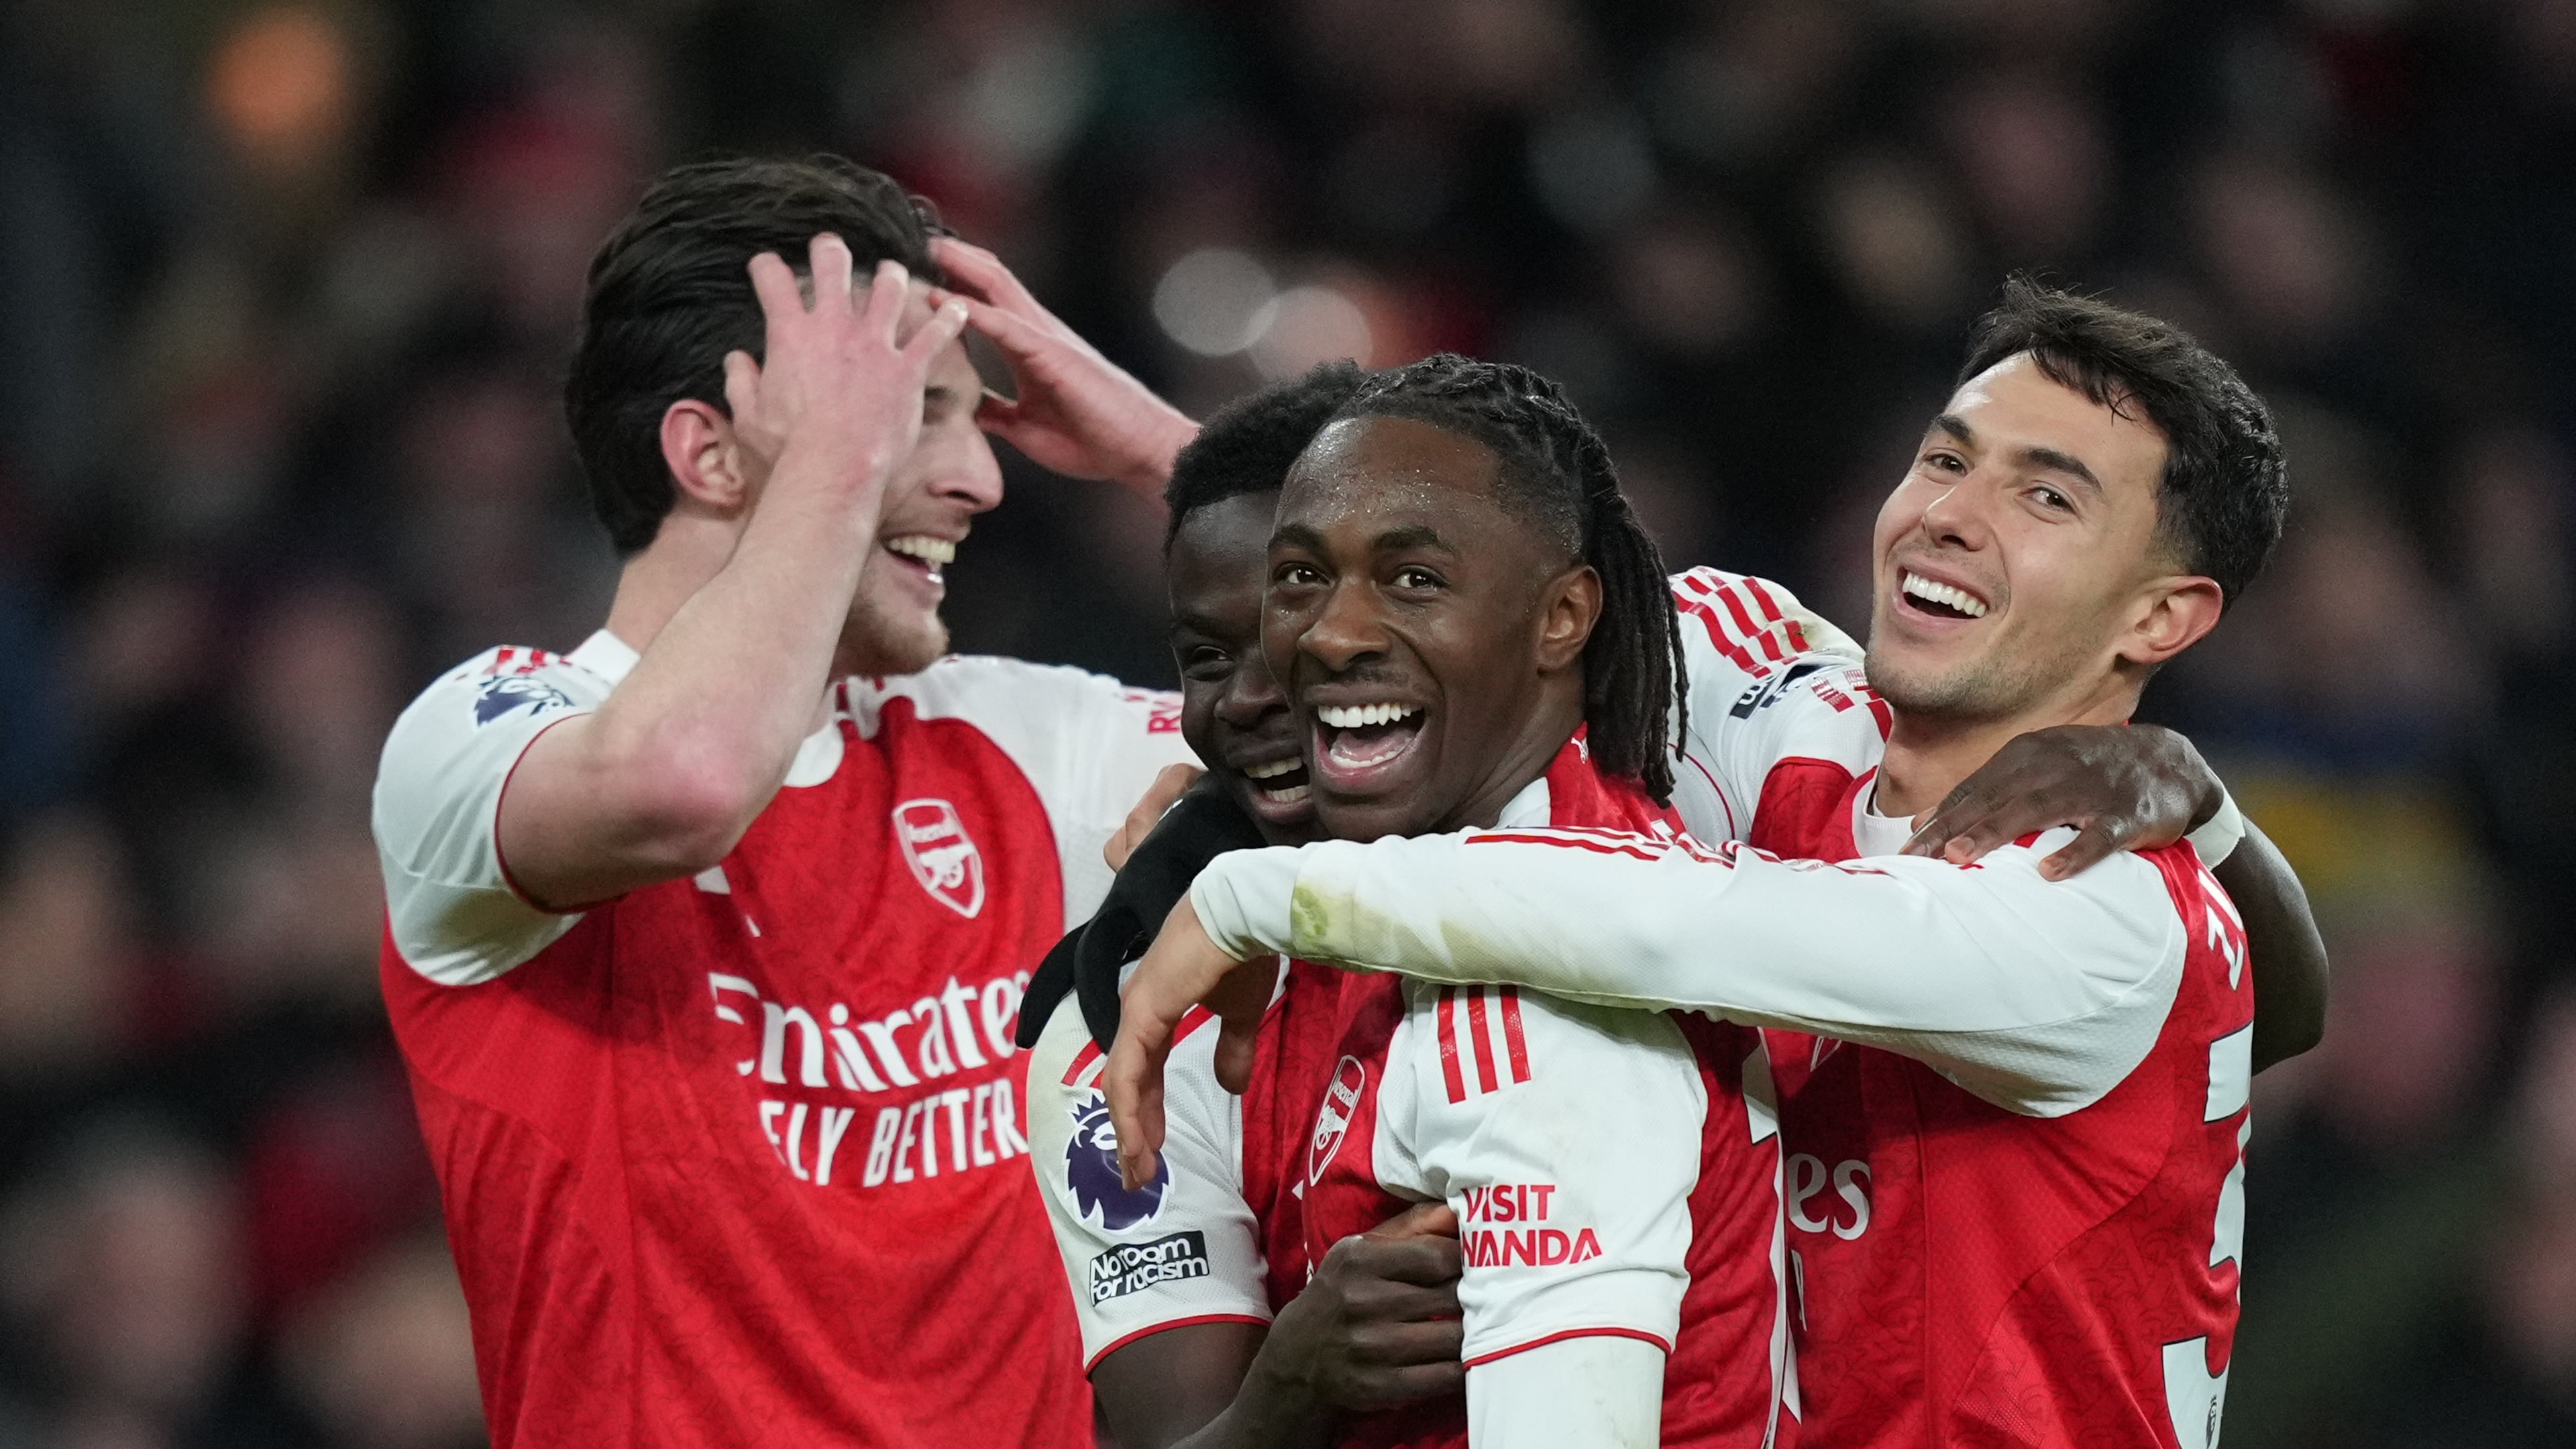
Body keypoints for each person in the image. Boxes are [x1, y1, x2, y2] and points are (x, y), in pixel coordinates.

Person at [1112, 281, 2318, 1448]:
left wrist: (1255, 898)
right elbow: (1436, 560)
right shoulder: (1764, 687)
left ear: (2160, 620)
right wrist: (1213, 763)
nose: (1951, 513)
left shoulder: (2095, 903)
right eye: (1949, 460)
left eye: (2047, 500)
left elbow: (1667, 925)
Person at [369, 155, 1207, 1447]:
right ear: (711, 454)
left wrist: (1181, 462)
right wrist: (832, 463)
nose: (982, 480)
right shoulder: (483, 735)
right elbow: (687, 781)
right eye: (908, 414)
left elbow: (1456, 719)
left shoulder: (1008, 739)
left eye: (969, 419)